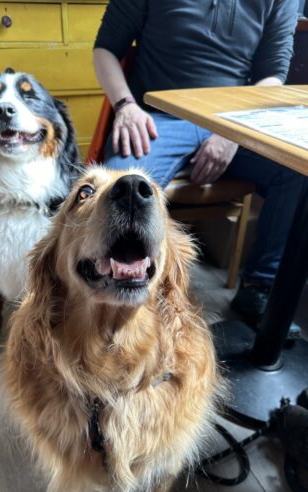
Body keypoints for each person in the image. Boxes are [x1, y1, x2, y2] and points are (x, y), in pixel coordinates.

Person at [93, 0, 303, 337]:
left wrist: (231, 132)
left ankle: (258, 288)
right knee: (121, 186)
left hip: (232, 120)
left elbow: (271, 74)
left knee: (296, 169)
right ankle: (120, 292)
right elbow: (105, 49)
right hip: (155, 117)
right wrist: (125, 106)